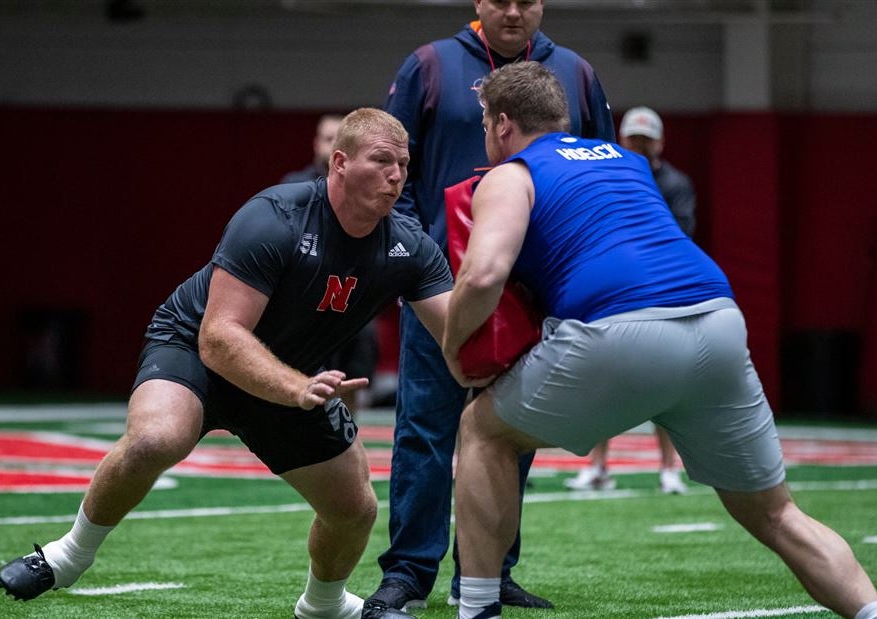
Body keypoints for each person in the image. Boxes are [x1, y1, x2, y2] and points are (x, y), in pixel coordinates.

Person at [444, 61, 877, 619]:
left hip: (620, 332)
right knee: (778, 514)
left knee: (483, 430)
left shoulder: (511, 174)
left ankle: (476, 608)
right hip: (717, 322)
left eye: (485, 125)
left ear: (503, 124)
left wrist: (453, 347)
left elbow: (483, 275)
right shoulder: (629, 162)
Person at [0, 108, 456, 619]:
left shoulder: (409, 246)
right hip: (196, 347)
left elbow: (460, 335)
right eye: (382, 161)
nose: (396, 176)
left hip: (287, 375)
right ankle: (67, 556)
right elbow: (219, 339)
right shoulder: (275, 217)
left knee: (354, 509)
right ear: (340, 163)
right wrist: (295, 389)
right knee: (155, 439)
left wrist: (492, 289)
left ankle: (324, 605)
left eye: (403, 165)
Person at [367, 1, 614, 616]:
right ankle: (408, 574)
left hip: (529, 284)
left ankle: (490, 571)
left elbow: (595, 173)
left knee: (511, 433)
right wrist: (414, 258)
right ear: (477, 1)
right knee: (424, 429)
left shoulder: (577, 73)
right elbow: (394, 169)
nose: (513, 12)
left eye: (526, 0)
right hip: (440, 284)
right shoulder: (430, 66)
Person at [564, 106, 696, 495]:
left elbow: (679, 235)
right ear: (621, 140)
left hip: (659, 289)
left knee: (665, 382)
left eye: (645, 139)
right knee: (602, 376)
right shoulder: (608, 177)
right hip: (615, 289)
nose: (638, 146)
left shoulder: (674, 184)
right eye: (633, 139)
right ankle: (598, 465)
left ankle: (669, 469)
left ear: (659, 142)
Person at [282, 113, 379, 415]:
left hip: (351, 297)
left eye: (339, 139)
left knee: (351, 378)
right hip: (303, 302)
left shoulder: (368, 191)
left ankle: (345, 433)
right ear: (316, 143)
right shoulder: (293, 187)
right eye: (327, 138)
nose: (332, 145)